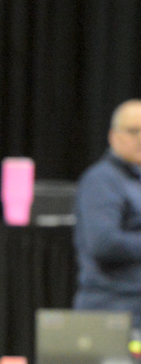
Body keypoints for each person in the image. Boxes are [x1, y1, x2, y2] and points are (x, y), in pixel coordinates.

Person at [73, 99, 141, 327]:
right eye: (134, 131)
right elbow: (103, 243)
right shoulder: (102, 180)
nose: (140, 138)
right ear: (114, 136)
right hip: (115, 309)